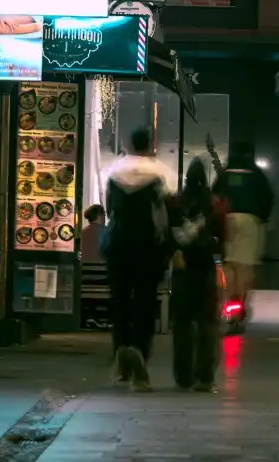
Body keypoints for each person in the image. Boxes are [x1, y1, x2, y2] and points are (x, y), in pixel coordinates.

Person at [104, 128, 171, 389]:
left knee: (120, 303)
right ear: (151, 144)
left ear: (128, 143)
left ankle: (121, 356)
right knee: (144, 304)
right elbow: (163, 215)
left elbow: (110, 209)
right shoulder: (160, 173)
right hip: (147, 248)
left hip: (119, 245)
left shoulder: (114, 171)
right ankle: (141, 354)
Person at [168, 158, 225, 392]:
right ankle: (204, 376)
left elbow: (165, 233)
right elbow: (222, 236)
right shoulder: (214, 204)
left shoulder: (175, 203)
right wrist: (220, 262)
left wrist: (174, 252)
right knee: (207, 323)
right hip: (205, 269)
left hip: (182, 269)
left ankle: (183, 376)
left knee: (182, 323)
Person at [211, 142, 274, 323]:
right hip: (249, 220)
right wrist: (261, 217)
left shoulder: (224, 174)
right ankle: (239, 305)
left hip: (227, 220)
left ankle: (229, 305)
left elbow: (214, 197)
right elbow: (268, 199)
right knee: (245, 267)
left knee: (228, 265)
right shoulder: (257, 175)